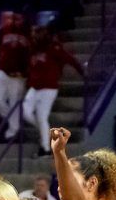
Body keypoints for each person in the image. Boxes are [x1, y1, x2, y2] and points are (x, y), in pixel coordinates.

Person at [22, 25, 84, 153]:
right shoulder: (32, 49)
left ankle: (45, 147)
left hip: (49, 88)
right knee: (25, 112)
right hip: (34, 87)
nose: (34, 37)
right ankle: (45, 133)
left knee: (42, 117)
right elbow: (30, 67)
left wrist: (82, 72)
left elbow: (70, 59)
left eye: (37, 34)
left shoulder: (54, 48)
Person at [0, 11, 30, 143]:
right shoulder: (4, 30)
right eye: (15, 19)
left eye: (19, 19)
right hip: (2, 70)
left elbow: (31, 56)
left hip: (18, 76)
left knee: (14, 104)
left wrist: (26, 73)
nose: (17, 21)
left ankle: (13, 133)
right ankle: (7, 118)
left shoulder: (29, 34)